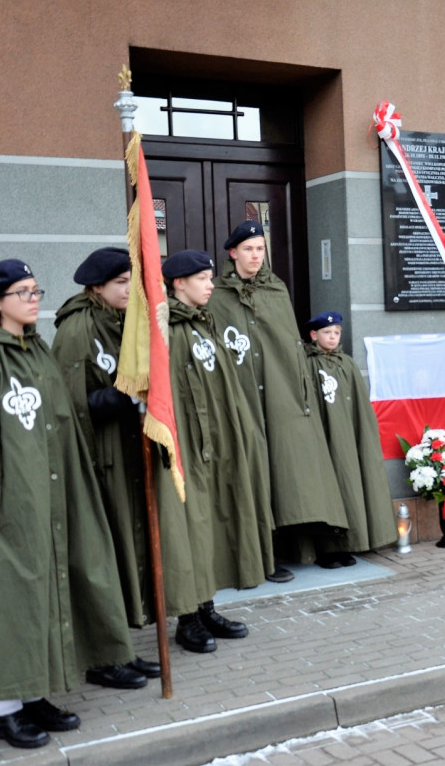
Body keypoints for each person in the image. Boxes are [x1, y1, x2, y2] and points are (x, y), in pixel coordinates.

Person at [0, 259, 134, 749]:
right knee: (13, 598)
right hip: (14, 491)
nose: (35, 299)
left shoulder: (34, 349)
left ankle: (33, 694)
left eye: (36, 290)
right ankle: (6, 706)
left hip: (50, 485)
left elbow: (62, 420)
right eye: (23, 292)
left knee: (43, 593)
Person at [207, 222, 350, 574]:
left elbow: (287, 342)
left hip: (282, 392)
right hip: (242, 393)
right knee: (254, 469)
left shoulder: (276, 289)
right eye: (248, 249)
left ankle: (311, 547)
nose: (255, 256)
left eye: (260, 249)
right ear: (233, 253)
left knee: (295, 469)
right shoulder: (218, 294)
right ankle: (263, 557)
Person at [51, 247, 160, 690]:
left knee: (127, 552)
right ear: (96, 287)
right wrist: (122, 397)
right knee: (105, 555)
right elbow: (69, 405)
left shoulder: (122, 323)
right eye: (120, 282)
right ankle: (102, 657)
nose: (128, 289)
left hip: (127, 453)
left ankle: (121, 647)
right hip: (98, 458)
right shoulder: (77, 330)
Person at [159, 249, 273, 653]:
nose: (211, 284)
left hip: (216, 442)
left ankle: (206, 605)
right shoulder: (166, 328)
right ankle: (187, 618)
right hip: (187, 445)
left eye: (210, 277)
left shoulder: (202, 323)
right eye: (203, 278)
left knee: (213, 524)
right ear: (178, 283)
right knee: (191, 526)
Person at [303, 311, 398, 553]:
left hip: (349, 436)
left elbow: (358, 406)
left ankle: (353, 542)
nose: (332, 337)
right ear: (314, 335)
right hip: (326, 435)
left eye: (336, 333)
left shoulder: (347, 363)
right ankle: (329, 547)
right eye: (327, 333)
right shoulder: (307, 363)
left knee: (352, 484)